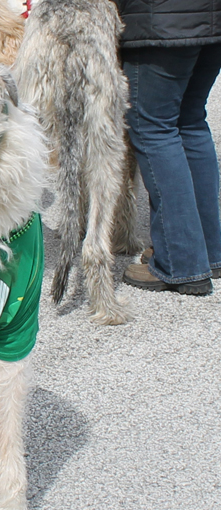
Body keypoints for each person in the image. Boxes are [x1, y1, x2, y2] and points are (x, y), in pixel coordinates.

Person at [116, 0, 221, 295]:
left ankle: (181, 263)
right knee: (190, 121)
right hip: (211, 19)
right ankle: (209, 253)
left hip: (162, 24)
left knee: (153, 128)